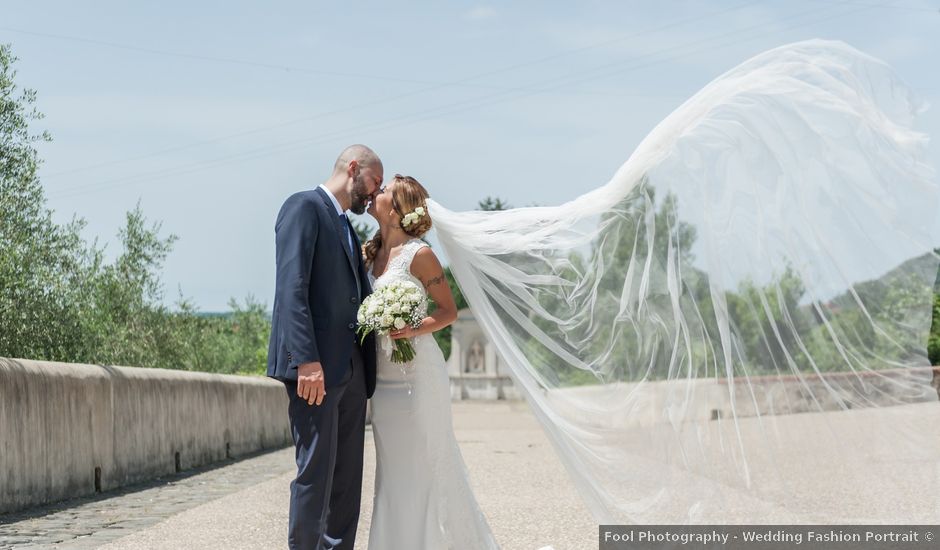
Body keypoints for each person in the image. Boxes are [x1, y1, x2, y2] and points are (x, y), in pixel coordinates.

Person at [363, 174, 499, 549]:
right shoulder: (369, 252)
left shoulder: (419, 254)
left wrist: (412, 328)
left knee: (423, 470)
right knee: (391, 476)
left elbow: (449, 311)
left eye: (385, 190)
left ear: (398, 208)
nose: (376, 193)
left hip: (416, 379)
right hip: (383, 385)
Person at [267, 144, 382, 550]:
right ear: (353, 168)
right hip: (315, 369)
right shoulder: (303, 207)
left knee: (347, 482)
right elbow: (292, 288)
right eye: (374, 182)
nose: (375, 194)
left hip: (351, 372)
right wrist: (307, 361)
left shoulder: (347, 228)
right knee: (315, 475)